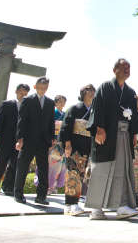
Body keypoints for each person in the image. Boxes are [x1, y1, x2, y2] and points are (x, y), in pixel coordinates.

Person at [85, 59, 138, 220]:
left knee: (122, 170)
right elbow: (98, 108)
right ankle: (96, 208)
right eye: (123, 67)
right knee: (101, 169)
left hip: (124, 135)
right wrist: (99, 129)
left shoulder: (130, 92)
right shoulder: (105, 87)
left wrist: (134, 134)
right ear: (114, 69)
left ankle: (122, 206)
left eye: (129, 68)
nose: (127, 70)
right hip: (107, 134)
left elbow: (134, 116)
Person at [13, 77, 56, 205]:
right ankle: (18, 194)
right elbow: (22, 120)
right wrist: (19, 139)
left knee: (43, 168)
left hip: (43, 140)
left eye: (45, 87)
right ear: (35, 86)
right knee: (23, 166)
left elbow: (51, 122)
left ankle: (41, 196)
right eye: (40, 87)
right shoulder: (28, 100)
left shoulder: (49, 102)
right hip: (28, 139)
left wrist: (51, 138)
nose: (43, 90)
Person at [61, 85, 95, 215]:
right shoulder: (74, 108)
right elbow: (66, 126)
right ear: (83, 93)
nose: (91, 93)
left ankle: (73, 203)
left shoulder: (93, 110)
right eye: (89, 91)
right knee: (72, 174)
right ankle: (69, 203)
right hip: (75, 145)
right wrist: (67, 144)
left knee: (81, 175)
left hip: (87, 145)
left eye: (93, 91)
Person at [0, 83, 30, 196]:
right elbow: (0, 120)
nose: (23, 94)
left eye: (26, 92)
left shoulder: (28, 106)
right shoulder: (7, 104)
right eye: (21, 91)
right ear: (16, 91)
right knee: (1, 162)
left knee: (14, 164)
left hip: (19, 140)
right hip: (5, 138)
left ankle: (7, 187)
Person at [37, 95, 68, 194]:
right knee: (50, 165)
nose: (62, 104)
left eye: (63, 102)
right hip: (52, 141)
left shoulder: (64, 114)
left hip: (60, 142)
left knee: (59, 166)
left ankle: (54, 186)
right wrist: (51, 138)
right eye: (60, 101)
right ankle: (46, 186)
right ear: (56, 102)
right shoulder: (52, 113)